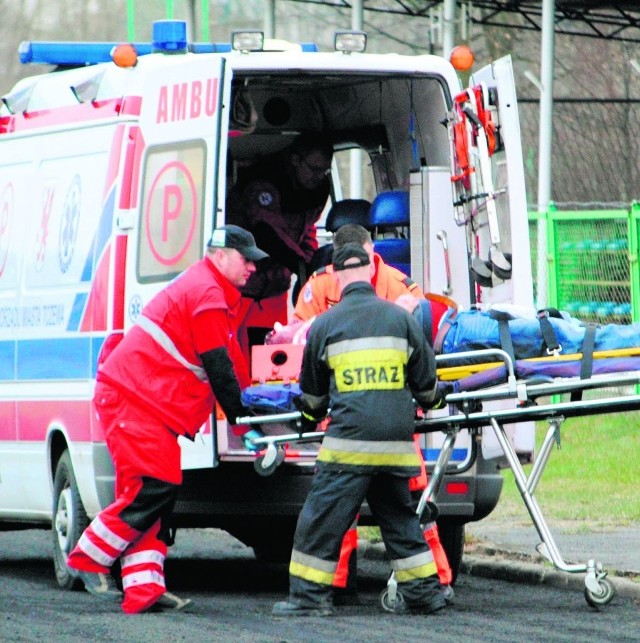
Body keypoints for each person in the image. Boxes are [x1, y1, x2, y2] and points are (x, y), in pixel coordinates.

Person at [66, 225, 268, 615]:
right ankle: (91, 551)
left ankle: (143, 590)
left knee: (153, 495)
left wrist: (250, 406)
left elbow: (230, 365)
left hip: (141, 401)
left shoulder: (212, 292)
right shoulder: (208, 294)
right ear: (219, 256)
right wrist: (246, 416)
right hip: (135, 402)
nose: (253, 269)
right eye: (246, 260)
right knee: (158, 487)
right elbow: (218, 366)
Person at [272, 243, 449, 617]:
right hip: (397, 448)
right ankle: (425, 595)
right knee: (400, 518)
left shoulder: (323, 326)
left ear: (334, 277)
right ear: (372, 272)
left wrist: (304, 418)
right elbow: (427, 388)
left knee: (320, 519)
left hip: (348, 447)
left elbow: (314, 399)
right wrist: (436, 400)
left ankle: (307, 599)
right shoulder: (400, 320)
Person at [226, 132, 334, 356]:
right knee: (234, 354)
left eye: (323, 171)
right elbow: (267, 235)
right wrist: (301, 265)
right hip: (240, 287)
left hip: (274, 290)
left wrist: (309, 260)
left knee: (270, 355)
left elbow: (307, 228)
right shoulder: (263, 185)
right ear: (295, 160)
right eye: (313, 169)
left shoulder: (316, 191)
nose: (317, 177)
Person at [292, 223, 425, 322]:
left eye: (365, 257)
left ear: (373, 249)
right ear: (336, 258)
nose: (362, 266)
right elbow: (298, 335)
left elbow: (423, 341)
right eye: (351, 261)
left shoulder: (403, 289)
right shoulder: (318, 286)